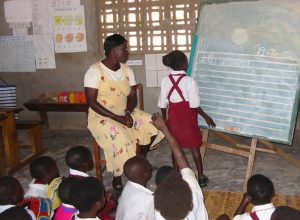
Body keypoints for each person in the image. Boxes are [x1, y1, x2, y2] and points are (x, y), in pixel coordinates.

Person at [84, 33, 164, 190]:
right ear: (114, 51)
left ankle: (139, 162)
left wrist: (127, 112)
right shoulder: (94, 71)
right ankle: (117, 174)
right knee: (120, 137)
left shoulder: (127, 70)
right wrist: (119, 118)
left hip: (124, 111)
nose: (127, 52)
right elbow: (91, 102)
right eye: (124, 49)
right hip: (101, 116)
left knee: (154, 124)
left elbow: (132, 96)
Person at [157, 50, 216, 187]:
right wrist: (206, 117)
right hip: (188, 119)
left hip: (174, 119)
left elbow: (162, 103)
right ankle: (200, 176)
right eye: (186, 61)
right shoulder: (189, 81)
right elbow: (194, 105)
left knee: (174, 147)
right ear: (183, 64)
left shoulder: (166, 80)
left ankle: (176, 175)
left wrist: (165, 120)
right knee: (194, 148)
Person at [150, 113, 209, 220]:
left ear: (158, 190)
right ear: (180, 179)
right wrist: (164, 128)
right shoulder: (192, 189)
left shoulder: (157, 212)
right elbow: (179, 155)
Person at [116, 155, 153, 220]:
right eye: (149, 166)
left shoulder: (128, 187)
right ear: (145, 174)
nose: (151, 167)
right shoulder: (148, 199)